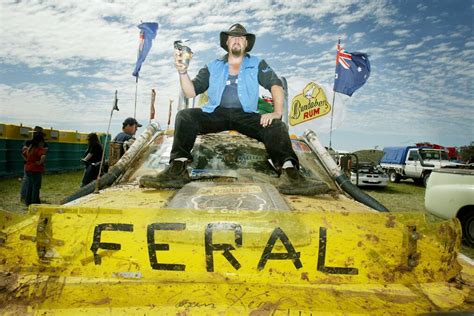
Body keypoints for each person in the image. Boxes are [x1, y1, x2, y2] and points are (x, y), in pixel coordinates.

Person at [139, 23, 327, 195]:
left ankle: (290, 175)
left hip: (246, 115)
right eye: (233, 37)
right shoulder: (212, 66)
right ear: (227, 42)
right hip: (216, 113)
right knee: (185, 116)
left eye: (241, 37)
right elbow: (190, 92)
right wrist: (182, 71)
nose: (237, 40)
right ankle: (177, 170)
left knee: (277, 126)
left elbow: (275, 85)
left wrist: (277, 113)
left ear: (246, 43)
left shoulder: (257, 64)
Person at [20, 126, 48, 203]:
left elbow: (23, 153)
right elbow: (43, 155)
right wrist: (39, 162)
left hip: (28, 168)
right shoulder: (38, 148)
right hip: (35, 169)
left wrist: (29, 160)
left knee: (29, 185)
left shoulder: (30, 147)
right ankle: (35, 201)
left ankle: (28, 201)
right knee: (36, 186)